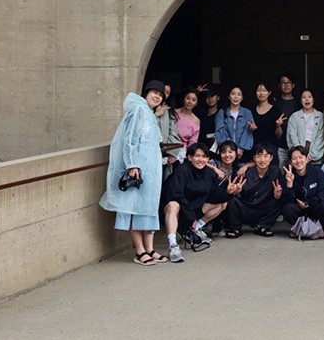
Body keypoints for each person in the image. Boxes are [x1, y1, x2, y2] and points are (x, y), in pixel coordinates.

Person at [99, 81, 167, 266]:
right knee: (133, 208)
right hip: (138, 170)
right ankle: (139, 250)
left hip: (151, 171)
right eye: (154, 92)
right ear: (146, 93)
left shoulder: (149, 113)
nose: (157, 96)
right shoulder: (138, 110)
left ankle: (150, 248)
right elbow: (129, 139)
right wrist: (132, 165)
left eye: (161, 95)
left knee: (148, 208)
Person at [161, 142, 243, 262]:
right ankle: (173, 245)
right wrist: (191, 217)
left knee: (222, 204)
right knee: (173, 205)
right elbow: (175, 195)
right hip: (178, 211)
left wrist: (228, 192)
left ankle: (196, 229)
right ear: (190, 157)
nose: (201, 160)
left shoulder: (208, 173)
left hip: (194, 210)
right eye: (197, 156)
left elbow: (214, 195)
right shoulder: (182, 170)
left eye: (204, 157)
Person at [224, 143, 283, 238]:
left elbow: (280, 192)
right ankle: (235, 228)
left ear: (271, 158)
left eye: (266, 156)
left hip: (263, 210)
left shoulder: (275, 171)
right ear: (254, 158)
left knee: (279, 202)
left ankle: (262, 227)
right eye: (259, 156)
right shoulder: (246, 173)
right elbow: (238, 195)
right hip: (246, 209)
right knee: (232, 201)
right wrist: (237, 192)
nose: (262, 160)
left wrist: (277, 195)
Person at [281, 145, 324, 235]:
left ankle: (321, 230)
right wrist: (289, 184)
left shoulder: (316, 171)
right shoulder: (288, 175)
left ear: (306, 158)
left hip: (314, 207)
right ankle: (298, 230)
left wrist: (307, 204)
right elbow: (286, 200)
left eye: (301, 157)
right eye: (294, 159)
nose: (298, 161)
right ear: (291, 162)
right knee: (287, 208)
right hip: (299, 211)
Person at [215, 86, 254, 162]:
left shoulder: (247, 113)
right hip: (226, 153)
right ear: (229, 96)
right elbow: (219, 132)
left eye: (239, 94)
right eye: (233, 94)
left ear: (242, 97)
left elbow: (247, 132)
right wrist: (230, 150)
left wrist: (240, 149)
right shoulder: (222, 113)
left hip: (243, 153)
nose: (236, 97)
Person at [286, 88, 324, 164]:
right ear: (300, 101)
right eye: (304, 97)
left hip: (315, 156)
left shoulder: (320, 116)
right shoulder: (294, 116)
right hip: (297, 158)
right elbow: (292, 135)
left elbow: (321, 137)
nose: (307, 99)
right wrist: (300, 154)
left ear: (313, 99)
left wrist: (311, 155)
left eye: (309, 97)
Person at [249, 81, 285, 150]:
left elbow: (279, 135)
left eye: (264, 90)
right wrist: (251, 129)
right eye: (258, 90)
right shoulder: (251, 111)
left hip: (271, 149)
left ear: (269, 92)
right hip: (255, 148)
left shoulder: (275, 111)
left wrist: (278, 126)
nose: (261, 93)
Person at [275, 73, 299, 167]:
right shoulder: (275, 104)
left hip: (296, 145)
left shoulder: (298, 103)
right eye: (283, 83)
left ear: (293, 85)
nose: (286, 85)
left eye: (289, 83)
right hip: (280, 146)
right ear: (279, 86)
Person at [173, 88, 201, 153]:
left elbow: (192, 143)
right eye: (188, 98)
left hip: (183, 151)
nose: (190, 102)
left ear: (196, 103)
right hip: (168, 147)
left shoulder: (196, 121)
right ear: (183, 99)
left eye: (194, 100)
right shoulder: (173, 113)